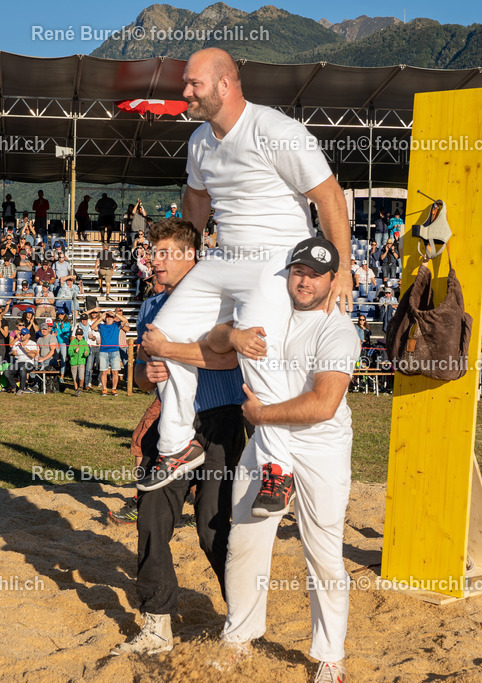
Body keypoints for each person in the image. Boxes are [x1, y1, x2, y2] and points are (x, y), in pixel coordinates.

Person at [140, 48, 352, 510]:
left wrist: (343, 270)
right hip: (224, 257)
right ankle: (176, 445)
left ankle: (278, 469)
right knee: (163, 333)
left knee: (255, 349)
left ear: (224, 84)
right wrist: (190, 252)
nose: (185, 91)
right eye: (185, 83)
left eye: (193, 83)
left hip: (275, 260)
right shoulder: (200, 140)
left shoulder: (276, 131)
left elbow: (330, 198)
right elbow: (196, 199)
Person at [211, 236, 358, 681]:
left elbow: (323, 404)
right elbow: (214, 338)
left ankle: (330, 657)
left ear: (334, 280)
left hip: (321, 446)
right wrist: (233, 335)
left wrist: (259, 415)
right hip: (269, 442)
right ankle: (239, 637)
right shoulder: (269, 307)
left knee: (324, 552)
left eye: (315, 274)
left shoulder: (338, 330)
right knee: (246, 540)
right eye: (299, 271)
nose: (305, 281)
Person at [112, 217, 246, 657]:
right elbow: (137, 372)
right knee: (151, 518)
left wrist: (169, 351)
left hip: (220, 421)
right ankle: (156, 625)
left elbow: (227, 362)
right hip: (172, 424)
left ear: (193, 257)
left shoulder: (220, 302)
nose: (156, 260)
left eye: (167, 252)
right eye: (154, 252)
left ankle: (242, 620)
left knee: (213, 528)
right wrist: (146, 371)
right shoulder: (150, 308)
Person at [98, 310, 129, 395]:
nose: (109, 318)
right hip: (103, 351)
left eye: (110, 317)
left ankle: (114, 389)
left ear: (113, 318)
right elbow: (93, 327)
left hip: (115, 351)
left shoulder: (117, 325)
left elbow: (125, 321)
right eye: (107, 316)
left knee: (115, 371)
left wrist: (115, 314)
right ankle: (104, 389)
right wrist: (101, 317)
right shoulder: (101, 326)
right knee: (104, 371)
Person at [67, 326, 89, 395]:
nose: (79, 336)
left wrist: (86, 354)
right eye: (78, 335)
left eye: (81, 335)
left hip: (81, 362)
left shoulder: (84, 343)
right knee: (74, 377)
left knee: (81, 376)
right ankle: (76, 389)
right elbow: (69, 352)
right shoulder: (72, 342)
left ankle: (80, 387)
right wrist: (74, 352)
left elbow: (87, 351)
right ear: (76, 335)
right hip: (73, 362)